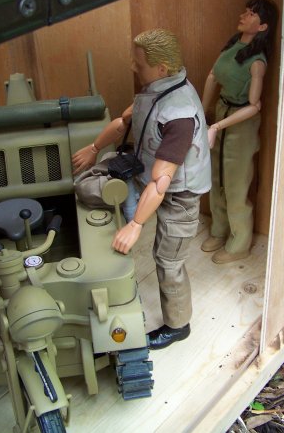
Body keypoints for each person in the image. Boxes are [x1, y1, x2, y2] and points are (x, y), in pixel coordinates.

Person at [72, 28, 211, 350]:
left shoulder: (179, 114)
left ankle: (178, 326)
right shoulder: (155, 90)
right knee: (87, 185)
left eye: (139, 63)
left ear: (161, 68)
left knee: (168, 260)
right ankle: (128, 205)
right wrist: (94, 148)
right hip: (145, 171)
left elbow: (163, 181)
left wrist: (136, 225)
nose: (133, 67)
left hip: (178, 193)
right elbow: (124, 122)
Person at [200, 0, 279, 264]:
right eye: (246, 10)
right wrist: (203, 111)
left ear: (263, 26)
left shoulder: (257, 62)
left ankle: (239, 243)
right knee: (216, 178)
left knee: (235, 185)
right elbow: (213, 76)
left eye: (252, 14)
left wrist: (218, 125)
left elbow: (255, 106)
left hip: (240, 124)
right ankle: (219, 229)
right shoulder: (233, 45)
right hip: (221, 113)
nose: (244, 15)